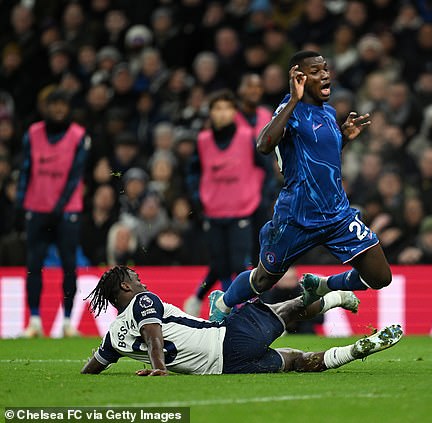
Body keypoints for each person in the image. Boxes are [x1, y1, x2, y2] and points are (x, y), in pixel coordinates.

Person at [208, 51, 392, 323]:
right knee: (263, 279)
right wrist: (294, 99)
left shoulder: (328, 112)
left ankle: (322, 286)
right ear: (299, 77)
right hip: (297, 216)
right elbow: (263, 146)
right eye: (316, 71)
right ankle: (222, 302)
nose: (325, 74)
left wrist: (344, 138)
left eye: (326, 69)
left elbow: (318, 156)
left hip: (336, 213)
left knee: (379, 277)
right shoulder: (288, 110)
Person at [80, 266, 402, 375]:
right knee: (286, 310)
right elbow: (153, 334)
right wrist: (159, 367)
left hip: (224, 368)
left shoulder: (112, 336)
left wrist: (85, 372)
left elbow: (93, 366)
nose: (144, 284)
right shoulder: (143, 301)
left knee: (297, 361)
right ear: (125, 286)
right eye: (137, 279)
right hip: (225, 338)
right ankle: (334, 293)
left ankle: (353, 351)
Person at [183, 89, 266, 317]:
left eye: (226, 108)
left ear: (234, 112)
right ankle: (231, 307)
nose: (222, 113)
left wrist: (260, 197)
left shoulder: (247, 136)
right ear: (210, 113)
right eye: (217, 108)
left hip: (242, 210)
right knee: (220, 264)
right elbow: (192, 172)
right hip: (213, 210)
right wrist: (197, 199)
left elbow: (265, 168)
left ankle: (240, 309)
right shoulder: (203, 141)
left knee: (239, 264)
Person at [16, 89, 90, 337]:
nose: (58, 110)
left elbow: (75, 176)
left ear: (68, 108)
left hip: (66, 211)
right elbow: (26, 170)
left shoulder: (78, 136)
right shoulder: (33, 134)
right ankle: (35, 320)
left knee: (69, 265)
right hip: (37, 208)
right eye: (54, 105)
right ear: (45, 107)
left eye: (62, 105)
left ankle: (68, 322)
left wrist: (57, 208)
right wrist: (20, 202)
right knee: (33, 264)